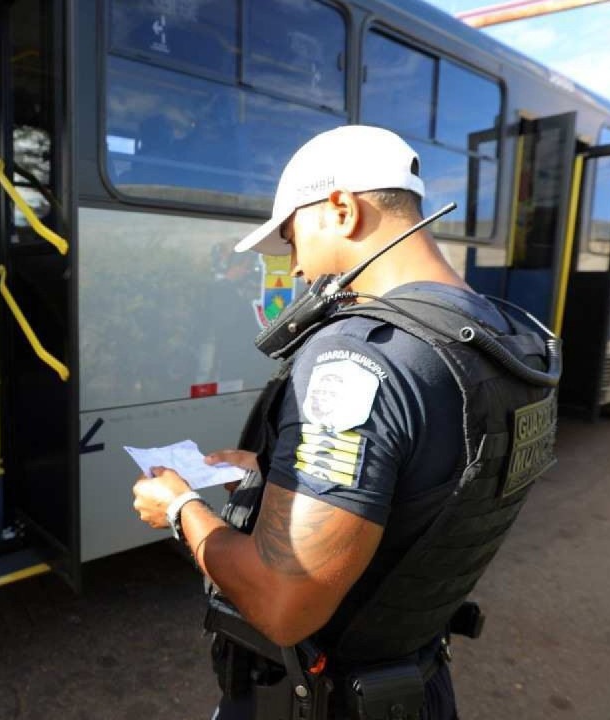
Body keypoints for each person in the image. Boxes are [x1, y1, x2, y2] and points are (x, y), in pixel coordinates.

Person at [132, 125, 559, 720]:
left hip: (323, 701)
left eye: (292, 236)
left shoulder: (358, 355)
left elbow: (286, 603)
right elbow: (423, 482)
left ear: (340, 209)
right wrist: (277, 474)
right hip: (417, 686)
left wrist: (181, 511)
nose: (295, 265)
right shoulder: (502, 333)